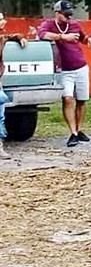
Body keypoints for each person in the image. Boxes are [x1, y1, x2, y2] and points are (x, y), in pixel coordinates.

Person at [38, 0, 91, 148]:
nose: (68, 18)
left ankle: (79, 130)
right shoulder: (49, 24)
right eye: (65, 14)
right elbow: (42, 35)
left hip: (80, 66)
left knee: (82, 99)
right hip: (64, 70)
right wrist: (63, 37)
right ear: (57, 13)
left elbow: (83, 38)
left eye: (70, 15)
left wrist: (89, 40)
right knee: (68, 99)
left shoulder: (74, 25)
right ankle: (73, 132)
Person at [0, 15, 29, 160]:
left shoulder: (2, 38)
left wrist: (20, 38)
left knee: (0, 111)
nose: (2, 22)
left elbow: (14, 35)